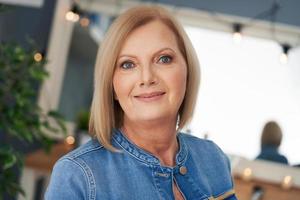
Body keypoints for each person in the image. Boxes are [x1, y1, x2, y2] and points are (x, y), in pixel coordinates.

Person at [45, 5, 236, 200]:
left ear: (187, 70)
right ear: (112, 86)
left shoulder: (214, 159)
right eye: (128, 64)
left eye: (163, 59)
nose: (146, 77)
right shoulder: (77, 176)